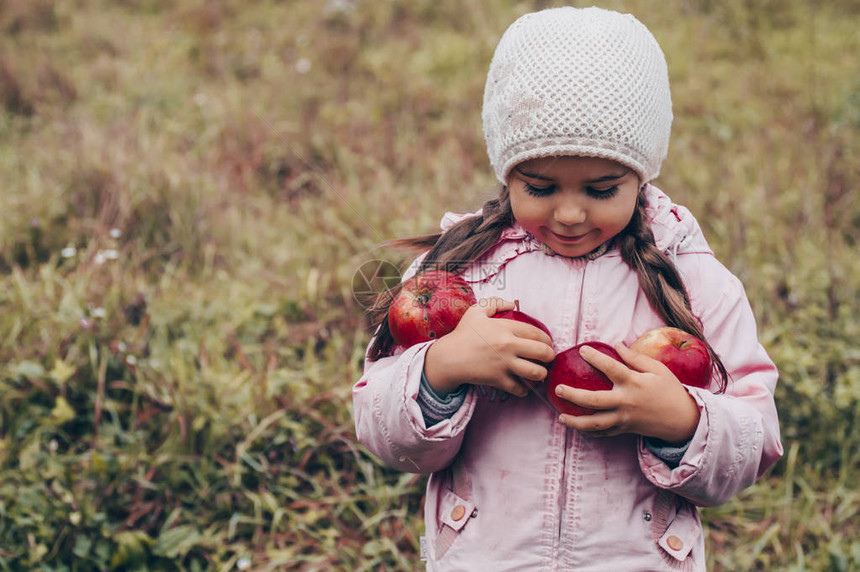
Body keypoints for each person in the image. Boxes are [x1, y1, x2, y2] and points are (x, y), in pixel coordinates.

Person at [353, 6, 782, 570]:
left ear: (642, 175)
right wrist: (442, 368)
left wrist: (681, 420)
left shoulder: (693, 280)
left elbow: (756, 441)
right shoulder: (460, 271)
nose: (572, 213)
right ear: (508, 173)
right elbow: (382, 432)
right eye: (541, 186)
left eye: (602, 189)